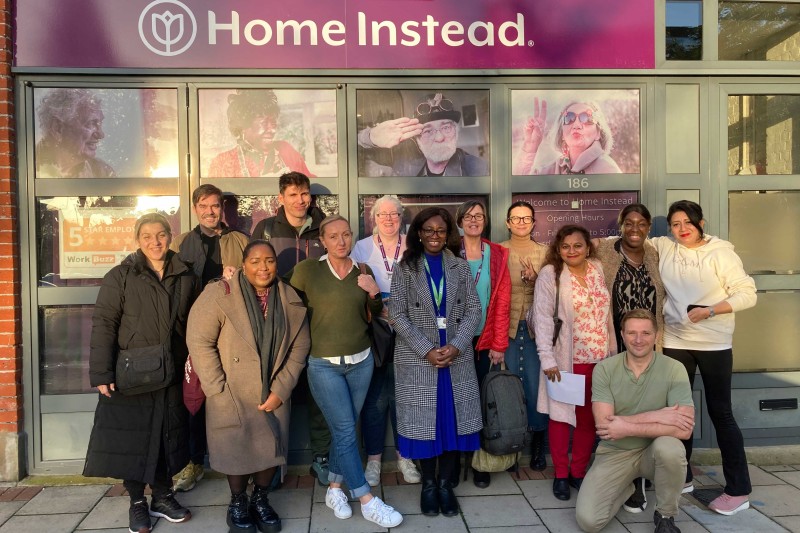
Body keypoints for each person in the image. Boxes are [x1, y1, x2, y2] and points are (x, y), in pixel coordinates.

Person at [84, 213, 199, 533]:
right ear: (138, 240)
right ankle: (137, 501)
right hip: (131, 374)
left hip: (171, 371)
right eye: (147, 236)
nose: (155, 242)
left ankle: (162, 496)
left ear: (169, 236)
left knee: (166, 436)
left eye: (161, 234)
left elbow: (194, 322)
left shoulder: (185, 274)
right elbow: (104, 324)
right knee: (134, 439)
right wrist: (102, 372)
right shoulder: (120, 275)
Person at [285, 215, 403, 528]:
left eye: (346, 235)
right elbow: (281, 296)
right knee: (346, 429)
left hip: (362, 362)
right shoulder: (308, 270)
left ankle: (335, 489)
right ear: (322, 240)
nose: (341, 241)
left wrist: (374, 292)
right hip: (323, 365)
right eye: (333, 236)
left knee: (346, 428)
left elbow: (375, 314)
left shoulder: (362, 270)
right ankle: (367, 499)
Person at [186, 240, 311, 533]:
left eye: (268, 260)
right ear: (244, 265)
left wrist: (281, 389)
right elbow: (198, 340)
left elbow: (300, 346)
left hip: (273, 389)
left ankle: (260, 499)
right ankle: (238, 502)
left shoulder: (288, 296)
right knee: (236, 450)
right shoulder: (220, 293)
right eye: (255, 261)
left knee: (269, 447)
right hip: (231, 391)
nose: (262, 267)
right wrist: (217, 387)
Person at [649, 200, 757, 516]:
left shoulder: (721, 253)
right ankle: (682, 476)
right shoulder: (665, 246)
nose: (681, 230)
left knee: (720, 412)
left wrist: (710, 310)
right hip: (675, 341)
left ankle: (738, 490)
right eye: (675, 224)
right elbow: (625, 242)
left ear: (701, 223)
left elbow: (747, 294)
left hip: (714, 343)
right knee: (678, 411)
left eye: (687, 223)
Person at [389, 207, 482, 517]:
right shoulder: (405, 269)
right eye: (428, 230)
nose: (434, 236)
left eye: (440, 230)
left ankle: (445, 485)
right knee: (424, 425)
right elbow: (397, 315)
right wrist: (426, 349)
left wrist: (455, 346)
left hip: (455, 358)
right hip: (419, 360)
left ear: (448, 234)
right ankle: (428, 486)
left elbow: (473, 311)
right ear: (418, 232)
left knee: (453, 422)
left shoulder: (461, 268)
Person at [576, 309, 694, 533]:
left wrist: (626, 426)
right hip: (615, 452)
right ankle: (629, 486)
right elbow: (605, 427)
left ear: (656, 336)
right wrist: (659, 416)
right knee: (589, 522)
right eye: (632, 333)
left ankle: (665, 515)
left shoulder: (674, 369)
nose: (639, 340)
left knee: (671, 448)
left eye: (646, 333)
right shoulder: (605, 369)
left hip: (654, 452)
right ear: (622, 335)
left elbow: (684, 430)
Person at [250, 171, 330, 486]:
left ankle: (321, 458)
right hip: (277, 324)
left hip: (317, 322)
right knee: (275, 394)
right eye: (293, 194)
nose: (300, 200)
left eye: (305, 194)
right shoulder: (265, 228)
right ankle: (273, 462)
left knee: (320, 395)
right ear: (280, 198)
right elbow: (252, 270)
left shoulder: (324, 227)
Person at [170, 184, 249, 492]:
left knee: (232, 396)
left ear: (222, 209)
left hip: (232, 331)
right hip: (194, 333)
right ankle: (193, 462)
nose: (210, 211)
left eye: (215, 205)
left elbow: (257, 281)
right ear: (195, 209)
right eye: (204, 206)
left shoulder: (240, 241)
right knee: (193, 400)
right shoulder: (180, 243)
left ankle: (238, 459)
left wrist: (237, 279)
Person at [530, 225, 616, 501]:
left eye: (577, 245)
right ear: (557, 249)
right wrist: (547, 359)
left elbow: (607, 316)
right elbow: (543, 319)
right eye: (565, 246)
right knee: (561, 419)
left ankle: (578, 472)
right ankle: (561, 475)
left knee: (589, 419)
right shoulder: (551, 274)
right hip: (566, 361)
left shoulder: (597, 269)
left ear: (588, 247)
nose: (571, 251)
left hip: (601, 360)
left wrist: (613, 355)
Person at [593, 203, 667, 512]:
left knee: (649, 408)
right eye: (629, 223)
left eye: (641, 224)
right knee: (622, 410)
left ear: (648, 227)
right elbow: (569, 251)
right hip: (619, 346)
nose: (634, 229)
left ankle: (646, 472)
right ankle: (628, 480)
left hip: (649, 346)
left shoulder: (655, 254)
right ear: (621, 226)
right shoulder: (604, 251)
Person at [350, 195, 422, 486]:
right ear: (374, 219)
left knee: (405, 396)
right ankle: (374, 462)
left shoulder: (413, 246)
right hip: (377, 331)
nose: (389, 219)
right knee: (376, 398)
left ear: (402, 218)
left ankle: (406, 457)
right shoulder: (362, 247)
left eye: (394, 214)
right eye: (383, 215)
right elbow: (353, 288)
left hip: (409, 330)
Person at [454, 200, 511, 489]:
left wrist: (499, 343)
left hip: (484, 340)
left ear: (485, 220)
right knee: (455, 402)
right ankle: (454, 461)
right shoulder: (451, 250)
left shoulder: (498, 253)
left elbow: (502, 302)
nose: (474, 220)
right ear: (459, 221)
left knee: (482, 403)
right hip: (454, 341)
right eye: (468, 216)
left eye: (479, 216)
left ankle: (480, 463)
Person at [499, 201, 550, 472]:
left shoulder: (546, 252)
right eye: (515, 219)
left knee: (535, 387)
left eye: (526, 218)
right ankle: (512, 448)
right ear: (507, 222)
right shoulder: (498, 251)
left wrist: (537, 277)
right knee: (510, 390)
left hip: (534, 331)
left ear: (533, 222)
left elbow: (556, 288)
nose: (521, 223)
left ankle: (539, 446)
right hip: (505, 329)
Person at [358, 92, 489, 177]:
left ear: (456, 131)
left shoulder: (478, 168)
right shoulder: (402, 162)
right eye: (428, 131)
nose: (439, 137)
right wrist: (370, 137)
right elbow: (347, 150)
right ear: (417, 139)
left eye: (446, 127)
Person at [207, 89, 314, 178]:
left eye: (273, 123)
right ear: (244, 125)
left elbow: (310, 185)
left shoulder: (285, 150)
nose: (272, 130)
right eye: (264, 123)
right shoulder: (222, 163)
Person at [513, 97, 621, 175]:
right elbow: (519, 188)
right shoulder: (552, 170)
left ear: (599, 133)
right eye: (569, 118)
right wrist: (530, 146)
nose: (576, 125)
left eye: (587, 118)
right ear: (562, 134)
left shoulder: (608, 169)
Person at [36, 88, 115, 178]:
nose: (101, 135)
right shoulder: (27, 166)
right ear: (58, 128)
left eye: (99, 124)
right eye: (91, 123)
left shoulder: (103, 173)